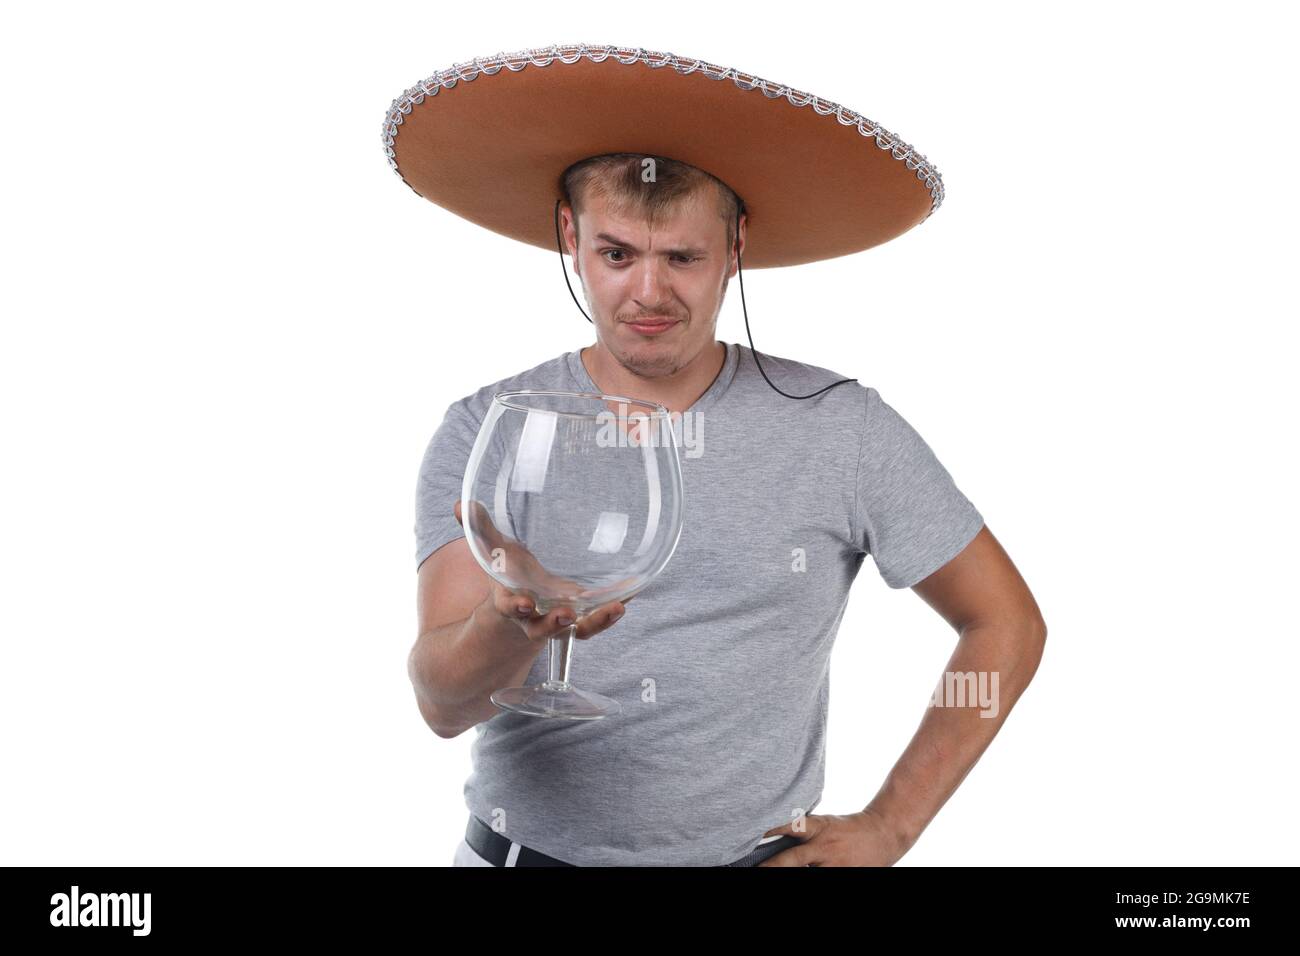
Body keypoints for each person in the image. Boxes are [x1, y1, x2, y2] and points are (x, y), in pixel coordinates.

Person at [385, 44, 1048, 867]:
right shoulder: (493, 429)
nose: (649, 294)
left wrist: (892, 825)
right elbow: (441, 703)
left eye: (683, 258)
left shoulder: (840, 429)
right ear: (571, 236)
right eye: (617, 254)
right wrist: (510, 620)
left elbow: (1004, 624)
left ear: (736, 246)